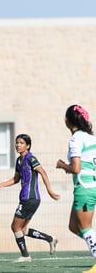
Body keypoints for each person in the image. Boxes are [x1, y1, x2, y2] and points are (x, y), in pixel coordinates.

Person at [0, 134, 60, 263]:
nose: (18, 145)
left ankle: (25, 256)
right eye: (17, 142)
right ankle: (50, 239)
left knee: (15, 227)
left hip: (30, 198)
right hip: (26, 199)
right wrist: (2, 184)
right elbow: (16, 179)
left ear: (28, 146)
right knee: (22, 229)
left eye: (21, 143)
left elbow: (43, 172)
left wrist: (50, 190)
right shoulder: (19, 161)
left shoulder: (31, 158)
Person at [56, 105, 96, 273]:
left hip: (85, 187)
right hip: (91, 185)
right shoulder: (91, 137)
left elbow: (76, 168)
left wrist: (61, 165)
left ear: (67, 121)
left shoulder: (76, 139)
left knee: (85, 227)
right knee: (74, 226)